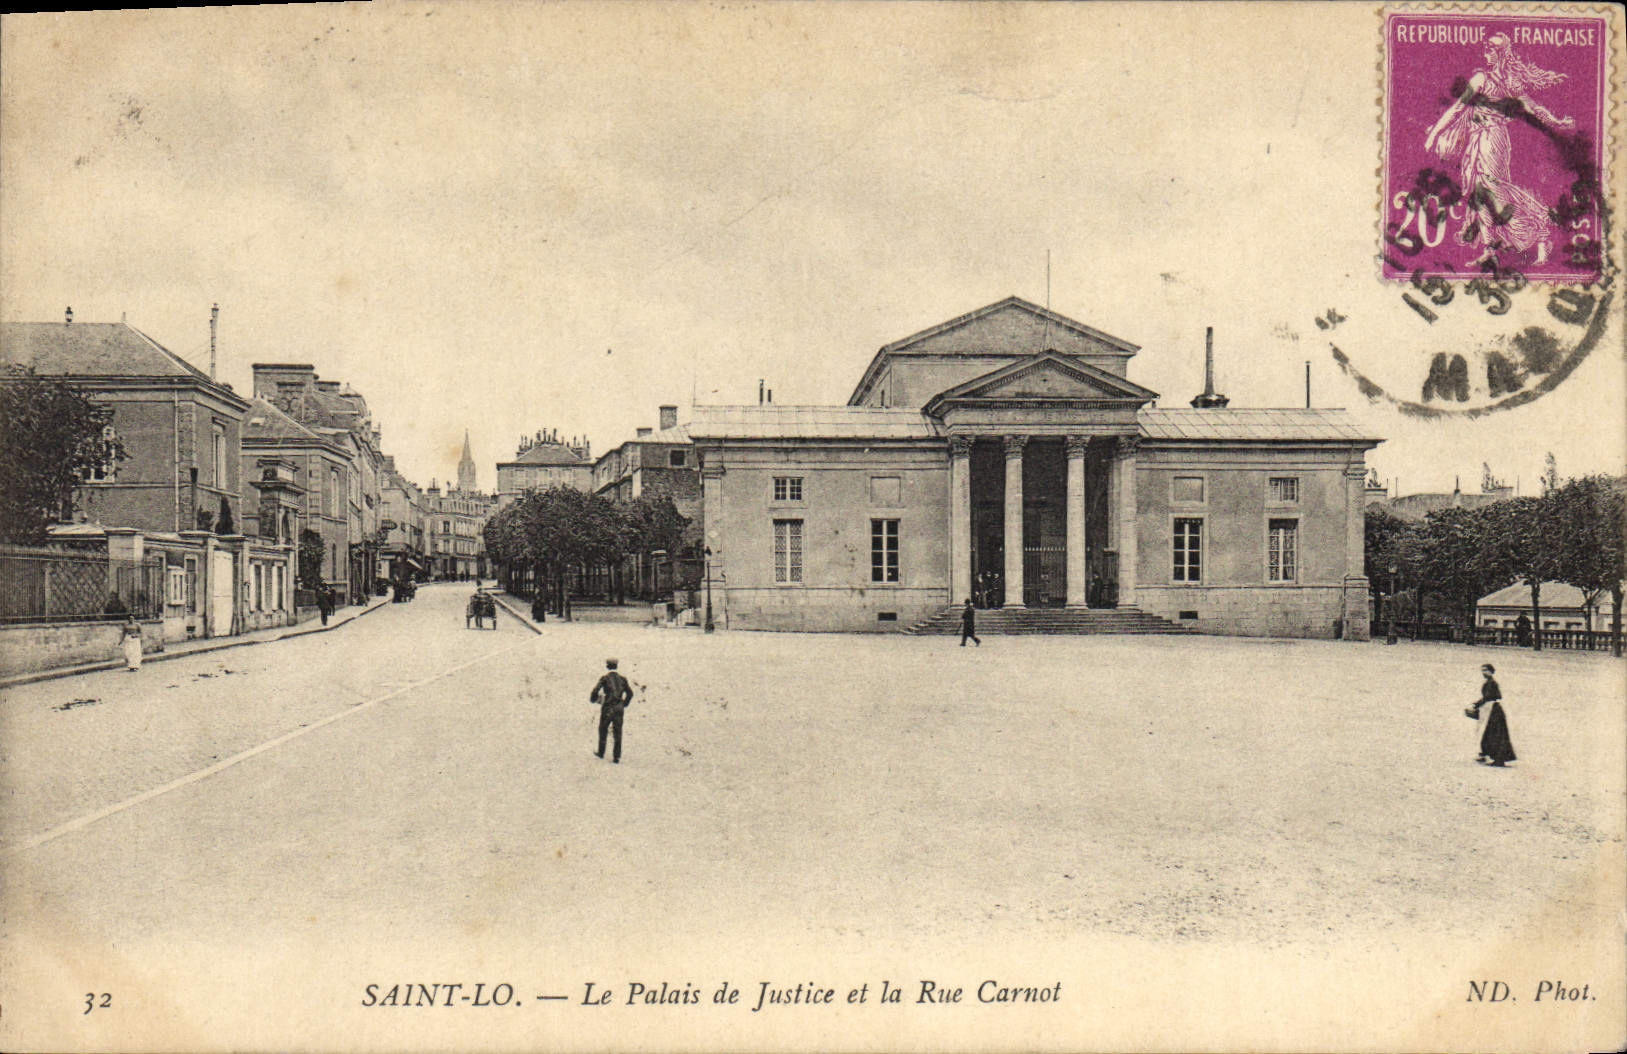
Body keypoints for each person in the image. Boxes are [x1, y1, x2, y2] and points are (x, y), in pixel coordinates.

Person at [1423, 32, 1576, 266]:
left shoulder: (1507, 82)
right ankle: (1490, 249)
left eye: (1491, 49)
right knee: (1477, 193)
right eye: (1485, 48)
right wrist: (1435, 133)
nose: (1486, 52)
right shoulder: (1480, 78)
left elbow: (1533, 108)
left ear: (1501, 53)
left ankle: (1541, 235)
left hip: (1492, 140)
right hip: (1476, 140)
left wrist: (1557, 122)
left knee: (1497, 194)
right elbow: (1458, 109)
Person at [1469, 663, 1516, 766]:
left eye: (1486, 670)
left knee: (1494, 734)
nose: (1484, 672)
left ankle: (1498, 758)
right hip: (1491, 709)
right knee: (1489, 733)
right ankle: (1486, 754)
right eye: (1482, 670)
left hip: (1493, 711)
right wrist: (1477, 704)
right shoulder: (1490, 682)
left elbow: (1489, 697)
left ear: (1491, 671)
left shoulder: (1492, 683)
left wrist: (1476, 705)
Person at [590, 658, 634, 763]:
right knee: (618, 731)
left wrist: (594, 699)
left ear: (607, 666)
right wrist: (624, 704)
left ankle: (601, 752)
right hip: (619, 708)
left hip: (608, 707)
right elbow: (630, 693)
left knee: (603, 729)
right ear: (616, 666)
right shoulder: (623, 679)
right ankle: (616, 757)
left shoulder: (605, 678)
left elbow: (595, 690)